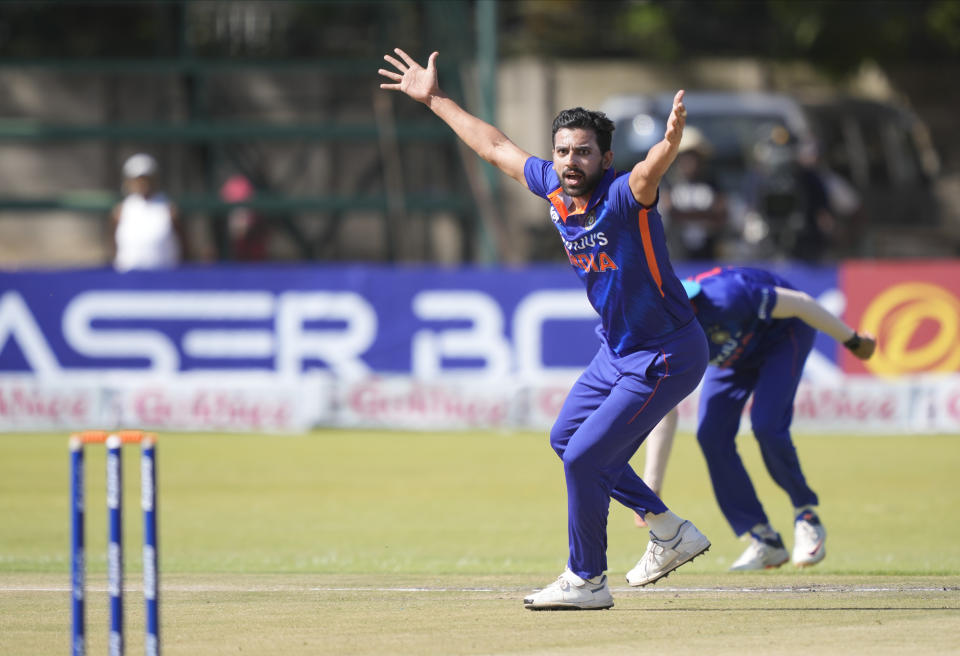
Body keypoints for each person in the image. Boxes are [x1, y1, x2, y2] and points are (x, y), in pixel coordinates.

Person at [380, 48, 711, 611]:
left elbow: (651, 169)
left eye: (583, 152)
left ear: (606, 159)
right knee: (566, 441)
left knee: (585, 458)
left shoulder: (624, 195)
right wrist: (434, 98)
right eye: (562, 152)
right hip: (617, 353)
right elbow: (494, 146)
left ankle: (587, 580)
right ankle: (668, 528)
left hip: (665, 354)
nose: (569, 161)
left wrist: (670, 143)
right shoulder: (555, 189)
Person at [631, 266, 876, 569]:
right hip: (735, 359)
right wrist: (652, 485)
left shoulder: (727, 296)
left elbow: (801, 303)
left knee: (766, 425)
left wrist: (853, 340)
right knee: (711, 435)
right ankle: (764, 539)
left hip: (783, 335)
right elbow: (664, 408)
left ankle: (806, 514)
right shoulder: (666, 338)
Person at [111, 153, 188, 271]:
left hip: (163, 278)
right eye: (137, 180)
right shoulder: (120, 211)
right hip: (128, 280)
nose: (142, 184)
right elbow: (114, 246)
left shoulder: (169, 209)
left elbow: (184, 246)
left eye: (146, 179)